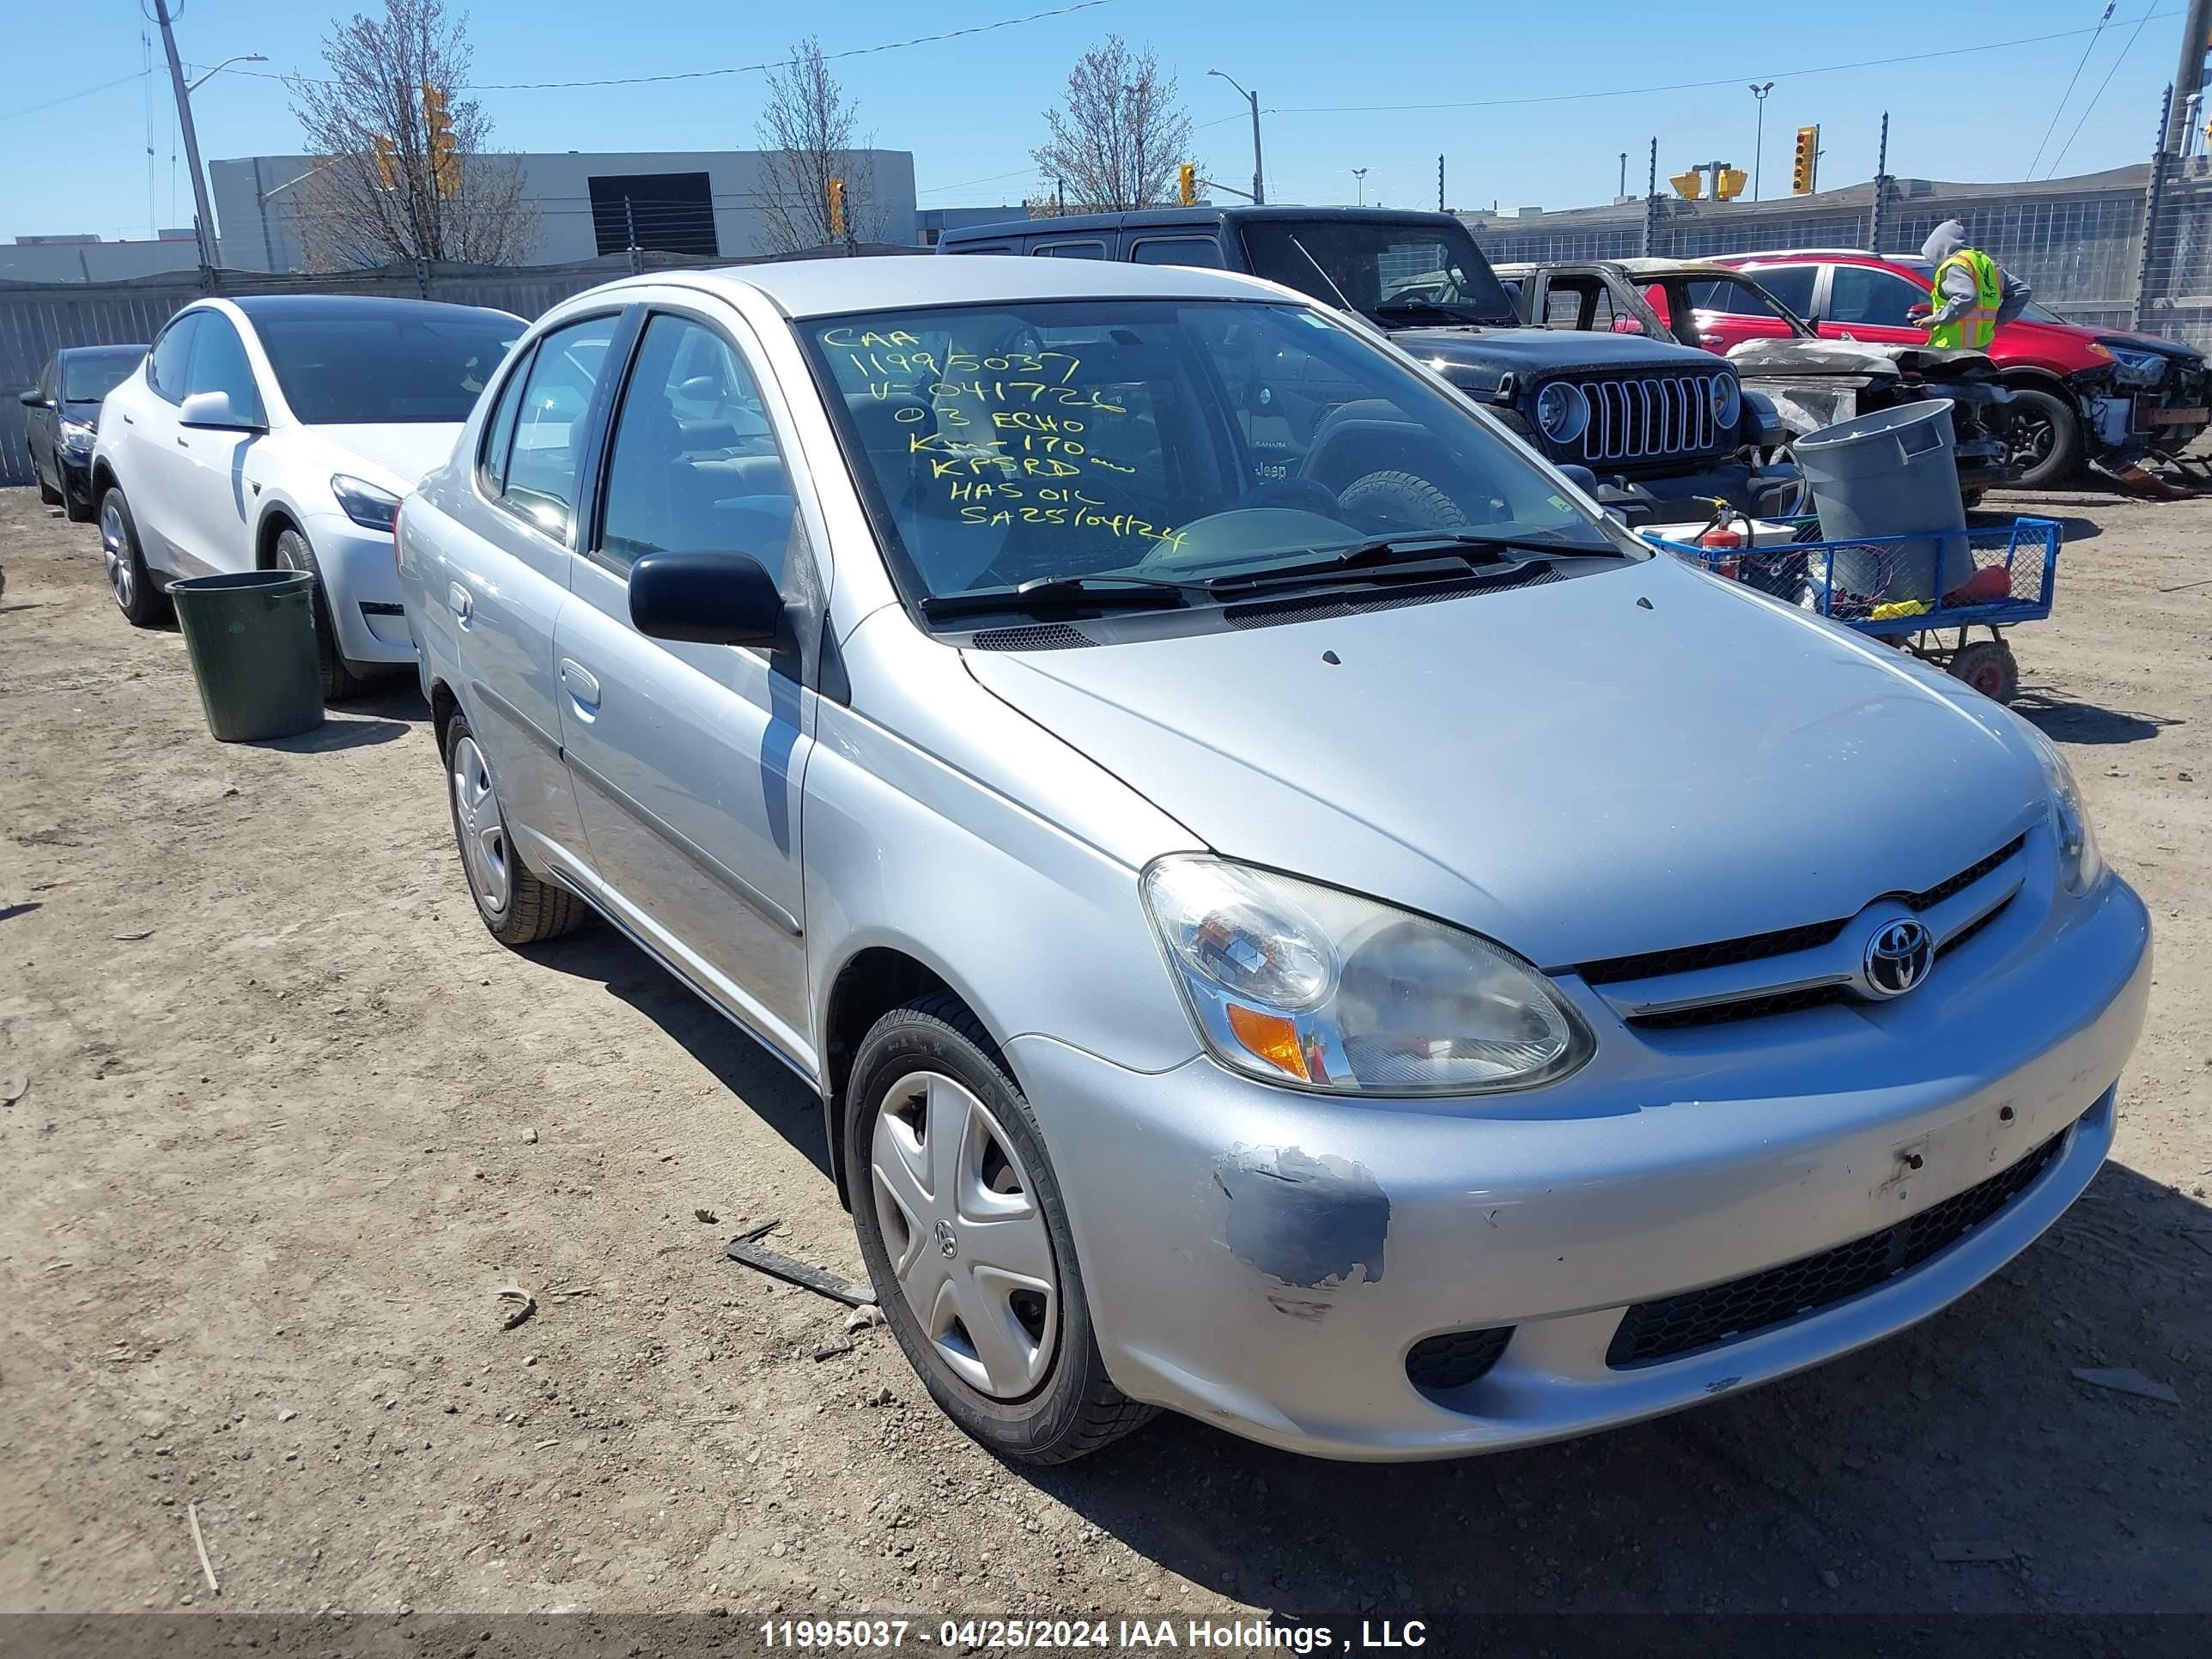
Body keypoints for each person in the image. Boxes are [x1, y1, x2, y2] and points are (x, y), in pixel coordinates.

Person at [1917, 220, 2031, 350]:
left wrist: (1936, 319)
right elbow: (2022, 291)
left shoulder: (1955, 265)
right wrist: (1998, 319)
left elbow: (1966, 297)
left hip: (1951, 348)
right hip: (1981, 345)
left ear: (1939, 247)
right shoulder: (1987, 264)